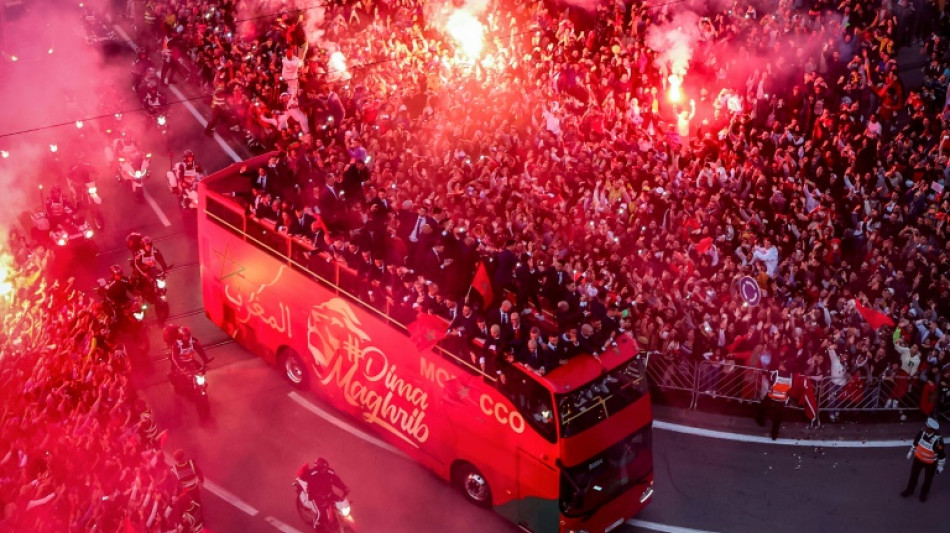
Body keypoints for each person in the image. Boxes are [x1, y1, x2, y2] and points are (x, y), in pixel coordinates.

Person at [901, 418, 946, 502]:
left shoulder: (938, 441)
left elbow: (941, 455)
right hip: (918, 459)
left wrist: (940, 466)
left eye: (926, 426)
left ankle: (924, 494)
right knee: (913, 476)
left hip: (930, 463)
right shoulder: (922, 432)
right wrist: (911, 451)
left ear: (930, 429)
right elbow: (916, 441)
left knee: (928, 479)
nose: (924, 426)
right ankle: (910, 490)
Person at [296, 458, 349, 527]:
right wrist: (317, 495)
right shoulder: (312, 475)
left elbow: (336, 480)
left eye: (326, 468)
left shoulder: (330, 472)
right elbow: (310, 488)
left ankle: (334, 520)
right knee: (321, 514)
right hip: (316, 497)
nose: (325, 470)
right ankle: (318, 528)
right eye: (323, 469)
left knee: (339, 503)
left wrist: (344, 488)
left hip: (328, 493)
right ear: (318, 468)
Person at [756, 359, 792, 440]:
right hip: (782, 399)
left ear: (785, 367)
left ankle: (760, 421)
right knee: (777, 418)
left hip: (772, 396)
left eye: (782, 364)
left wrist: (767, 372)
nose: (780, 365)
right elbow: (790, 387)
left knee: (762, 407)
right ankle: (774, 435)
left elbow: (770, 379)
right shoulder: (790, 375)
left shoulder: (776, 373)